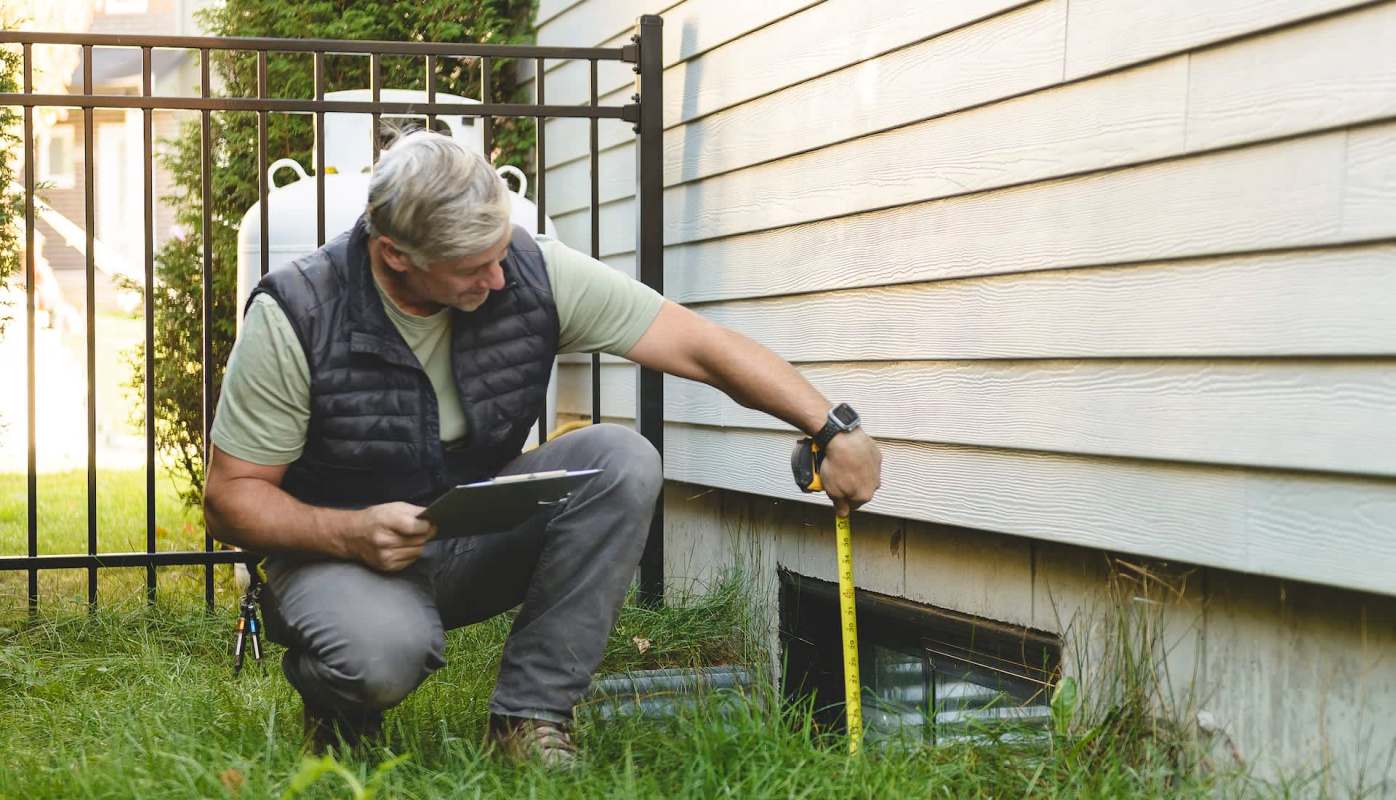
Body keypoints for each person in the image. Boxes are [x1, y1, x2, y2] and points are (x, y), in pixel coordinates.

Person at [202, 129, 882, 767]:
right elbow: (230, 500)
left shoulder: (528, 272)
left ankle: (528, 719)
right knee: (381, 655)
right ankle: (339, 708)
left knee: (621, 461)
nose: (499, 280)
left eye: (501, 252)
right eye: (474, 268)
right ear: (395, 255)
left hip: (462, 537)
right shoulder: (297, 316)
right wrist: (349, 534)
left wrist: (832, 428)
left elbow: (700, 346)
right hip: (335, 554)